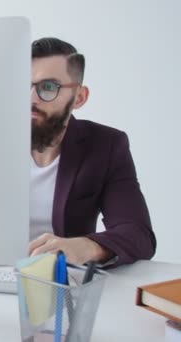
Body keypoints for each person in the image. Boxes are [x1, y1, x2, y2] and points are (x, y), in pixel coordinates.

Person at [26, 37, 156, 267]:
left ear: (79, 97)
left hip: (58, 281)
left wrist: (87, 246)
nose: (31, 98)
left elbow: (138, 234)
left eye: (48, 87)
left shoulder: (106, 146)